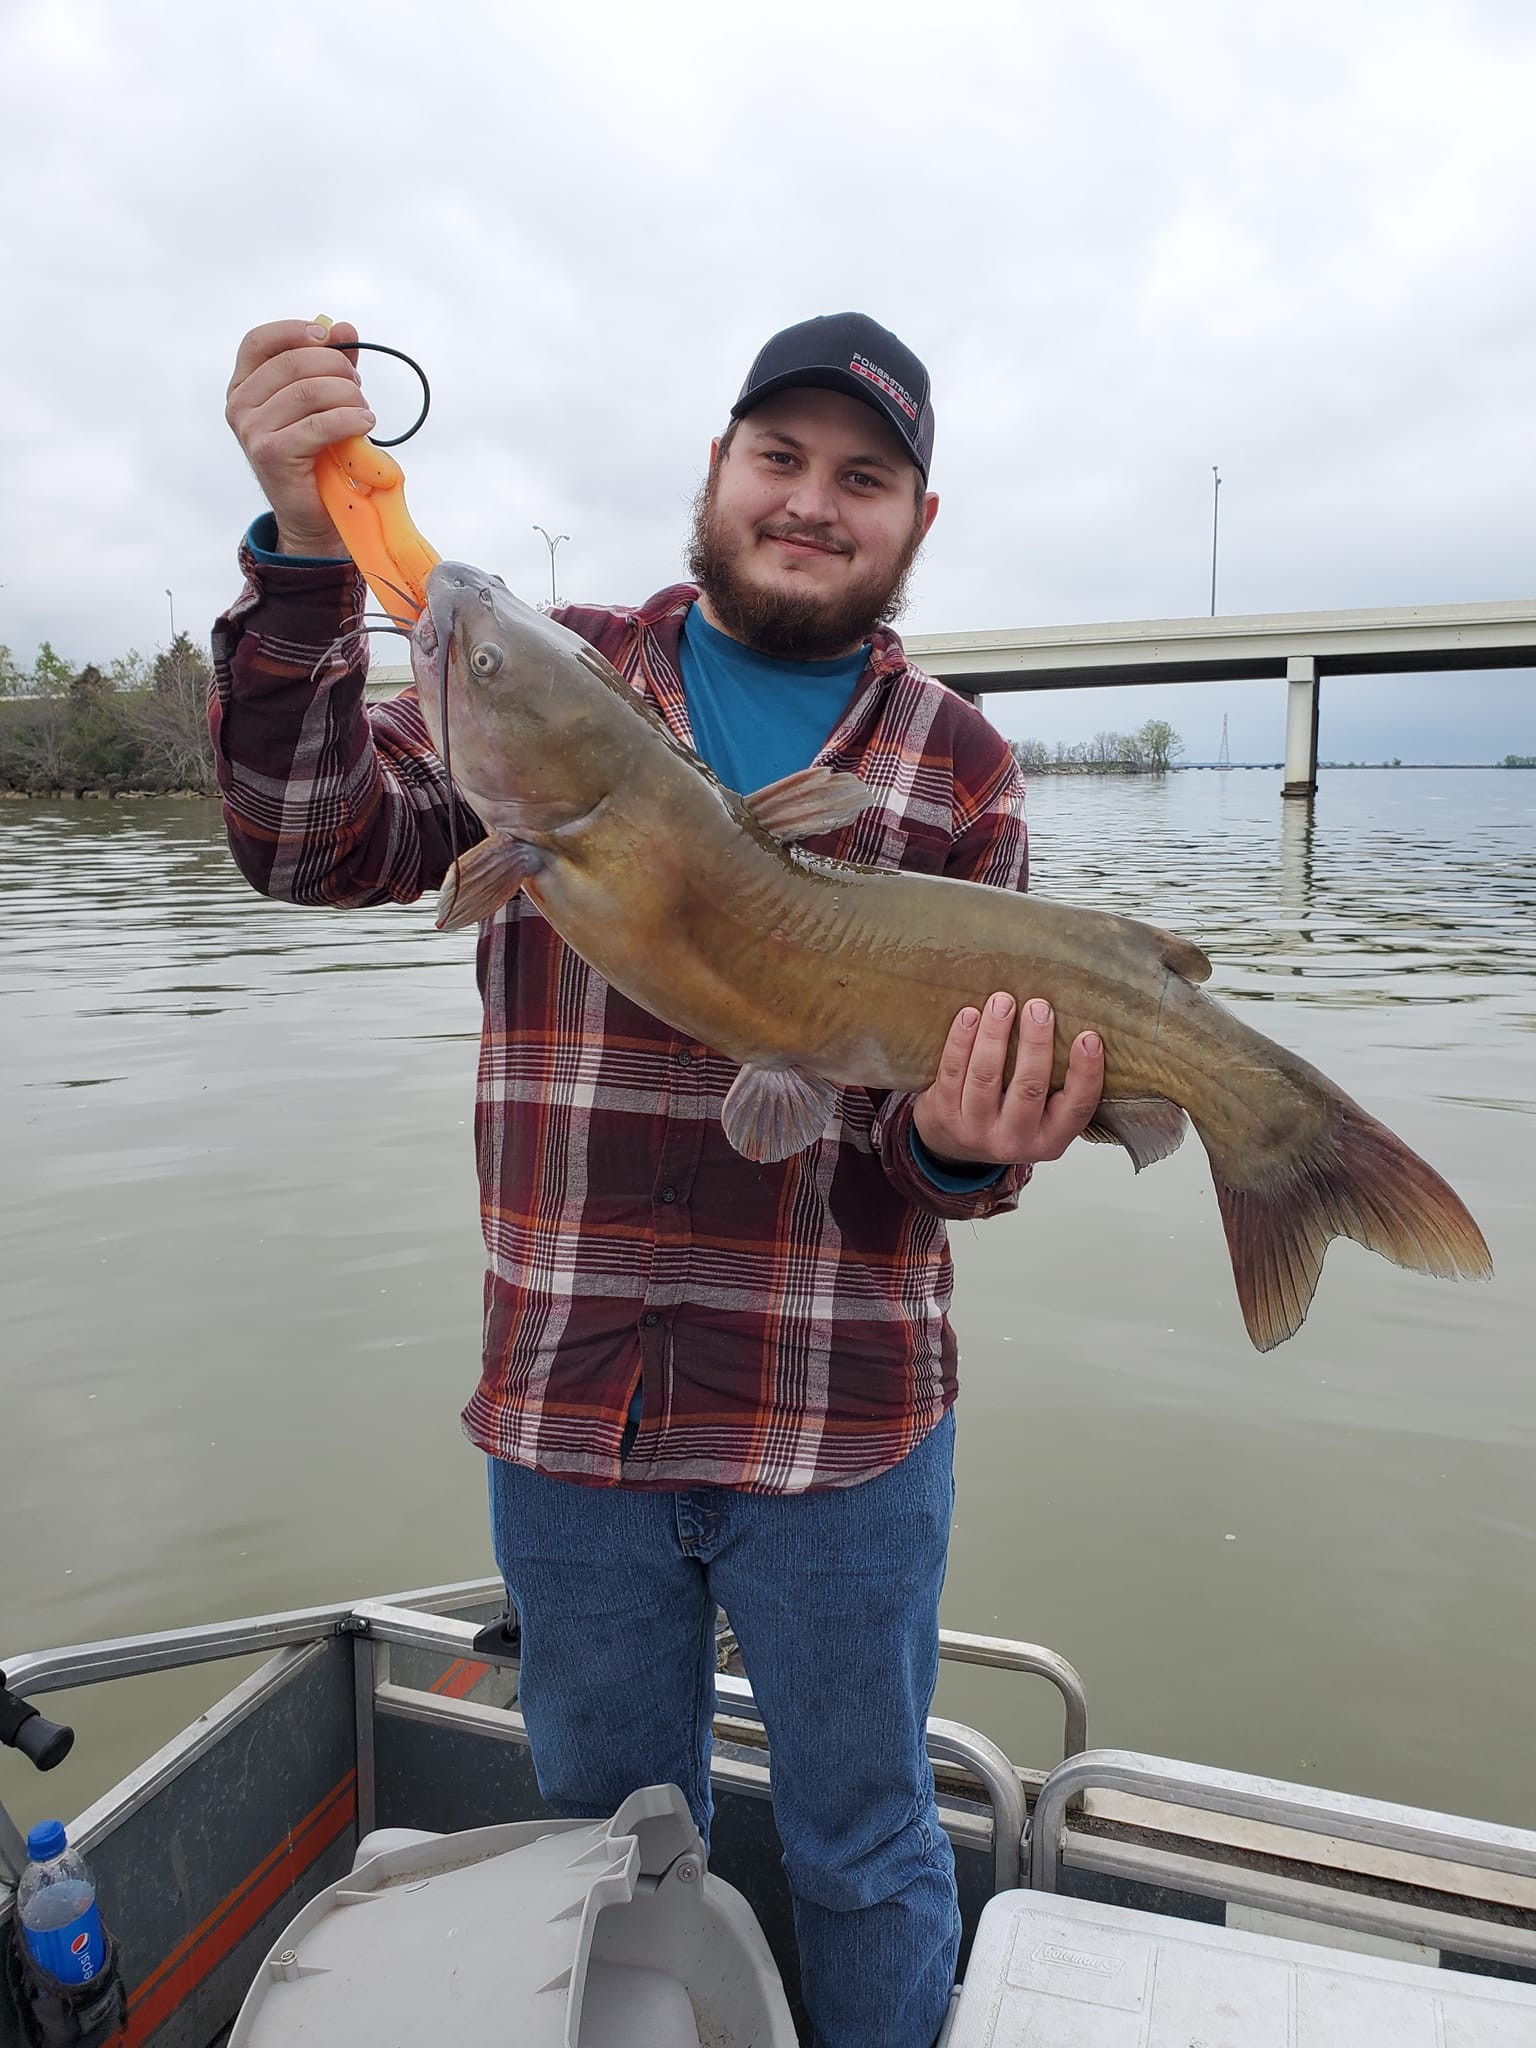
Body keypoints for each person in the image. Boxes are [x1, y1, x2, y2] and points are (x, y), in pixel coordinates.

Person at [216, 310, 1104, 2047]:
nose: (811, 502)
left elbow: (937, 1177)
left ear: (917, 522)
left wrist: (962, 1141)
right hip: (570, 1427)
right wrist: (308, 551)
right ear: (716, 473)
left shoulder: (959, 768)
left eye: (864, 478)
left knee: (865, 1845)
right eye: (779, 457)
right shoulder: (552, 683)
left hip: (839, 1435)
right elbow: (311, 839)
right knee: (598, 1856)